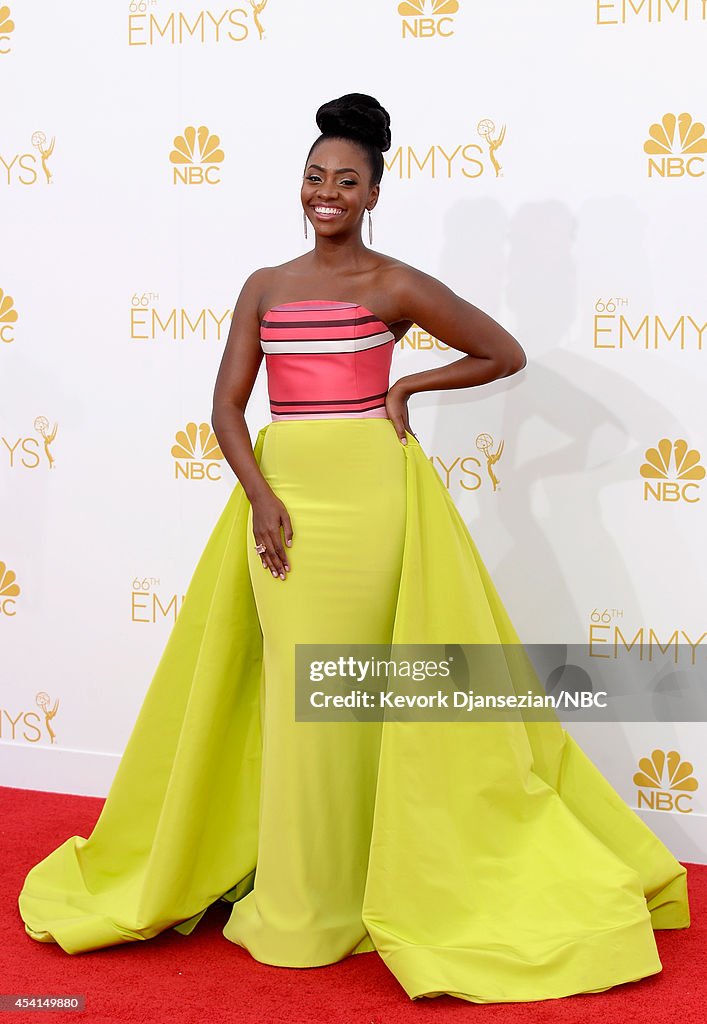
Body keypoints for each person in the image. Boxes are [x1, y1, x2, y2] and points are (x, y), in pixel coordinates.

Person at [18, 93, 690, 1006]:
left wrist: (410, 383)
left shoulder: (393, 285)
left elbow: (503, 352)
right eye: (314, 177)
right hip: (286, 505)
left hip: (374, 503)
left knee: (352, 694)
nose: (325, 192)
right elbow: (225, 407)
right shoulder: (264, 283)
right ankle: (303, 899)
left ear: (374, 192)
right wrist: (260, 498)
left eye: (346, 180)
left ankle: (373, 886)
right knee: (299, 702)